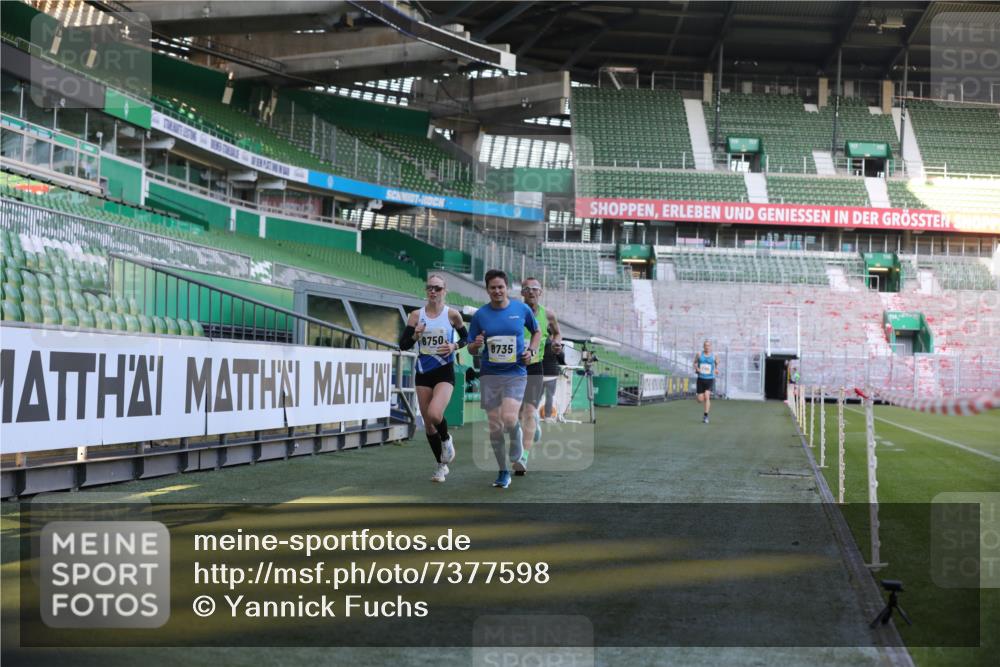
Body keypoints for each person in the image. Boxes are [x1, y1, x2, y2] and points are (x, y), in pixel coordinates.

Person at [467, 269, 540, 489]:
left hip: (515, 373)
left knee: (509, 418)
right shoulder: (480, 315)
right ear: (487, 290)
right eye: (493, 287)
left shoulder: (521, 309)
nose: (497, 291)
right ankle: (503, 471)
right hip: (490, 374)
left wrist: (532, 351)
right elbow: (471, 349)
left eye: (500, 287)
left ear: (507, 288)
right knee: (495, 426)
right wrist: (476, 345)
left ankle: (517, 447)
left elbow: (536, 332)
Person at [399, 274, 467, 483]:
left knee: (435, 413)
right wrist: (415, 336)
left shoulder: (452, 315)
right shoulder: (416, 316)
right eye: (430, 288)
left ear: (445, 290)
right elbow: (403, 345)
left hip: (444, 370)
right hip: (423, 371)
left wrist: (454, 345)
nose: (433, 292)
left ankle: (446, 439)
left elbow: (467, 338)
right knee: (428, 425)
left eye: (437, 288)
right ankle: (441, 465)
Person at [514, 277, 561, 476]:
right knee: (515, 415)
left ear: (540, 292)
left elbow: (557, 333)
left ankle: (523, 457)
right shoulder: (514, 312)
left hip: (535, 367)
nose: (531, 292)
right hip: (513, 368)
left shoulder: (548, 314)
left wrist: (556, 343)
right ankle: (534, 426)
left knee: (528, 412)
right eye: (527, 289)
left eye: (535, 289)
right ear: (522, 293)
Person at [541, 337, 566, 423]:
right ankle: (547, 416)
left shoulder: (538, 341)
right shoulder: (555, 345)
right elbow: (562, 360)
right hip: (551, 374)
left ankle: (530, 415)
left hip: (538, 372)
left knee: (535, 397)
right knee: (550, 396)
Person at [693, 340, 719, 424]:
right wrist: (696, 368)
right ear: (703, 347)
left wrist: (716, 369)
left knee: (707, 396)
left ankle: (706, 415)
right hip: (700, 379)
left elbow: (717, 363)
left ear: (711, 347)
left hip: (709, 379)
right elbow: (695, 363)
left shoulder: (714, 355)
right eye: (705, 345)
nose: (707, 347)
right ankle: (702, 396)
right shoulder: (699, 354)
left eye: (708, 345)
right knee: (700, 400)